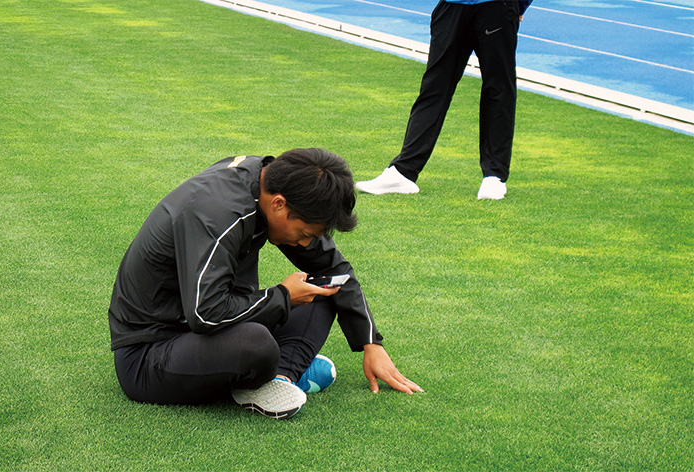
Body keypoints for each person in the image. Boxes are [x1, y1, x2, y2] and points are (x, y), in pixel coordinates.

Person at [109, 148, 423, 419]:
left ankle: (281, 378)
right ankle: (268, 373)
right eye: (303, 234)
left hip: (208, 330)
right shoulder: (217, 212)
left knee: (326, 289)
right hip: (150, 355)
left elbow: (333, 266)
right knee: (255, 344)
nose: (303, 245)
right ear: (279, 205)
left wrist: (371, 343)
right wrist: (283, 296)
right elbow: (205, 314)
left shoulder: (268, 182)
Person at [356, 0, 533, 200]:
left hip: (496, 6)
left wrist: (520, 5)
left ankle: (494, 176)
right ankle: (403, 171)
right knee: (433, 89)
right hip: (452, 6)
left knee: (498, 91)